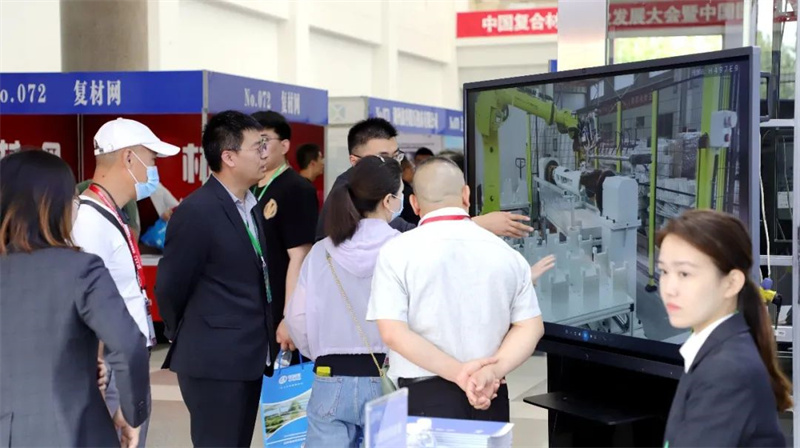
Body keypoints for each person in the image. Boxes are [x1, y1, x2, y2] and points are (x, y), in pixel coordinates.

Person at [367, 157, 545, 422]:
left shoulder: (396, 252)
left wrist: (460, 374)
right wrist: (491, 372)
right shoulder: (507, 255)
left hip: (421, 398)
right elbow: (531, 327)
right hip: (490, 393)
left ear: (414, 203)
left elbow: (393, 333)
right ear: (466, 195)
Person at [0, 150, 150, 447]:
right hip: (74, 432)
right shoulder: (81, 268)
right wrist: (132, 414)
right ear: (54, 206)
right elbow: (128, 345)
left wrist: (81, 364)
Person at [155, 111, 278, 447]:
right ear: (229, 157)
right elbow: (170, 286)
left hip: (250, 356)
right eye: (258, 147)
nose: (265, 154)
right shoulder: (198, 211)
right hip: (214, 361)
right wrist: (191, 331)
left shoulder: (250, 204)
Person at [72, 118, 178, 446]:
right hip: (111, 364)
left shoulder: (111, 214)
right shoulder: (88, 220)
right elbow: (84, 304)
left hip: (125, 361)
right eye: (151, 160)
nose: (153, 172)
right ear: (128, 158)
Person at [658, 209, 790, 447]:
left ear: (731, 283)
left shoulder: (727, 370)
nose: (669, 288)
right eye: (664, 272)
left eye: (684, 273)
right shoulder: (715, 352)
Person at [316, 117, 535, 241]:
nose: (393, 165)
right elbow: (415, 237)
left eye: (395, 156)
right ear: (354, 161)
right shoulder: (348, 197)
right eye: (382, 158)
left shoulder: (381, 192)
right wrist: (476, 224)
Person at [251, 111, 318, 358]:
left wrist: (289, 317)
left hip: (278, 311)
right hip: (251, 310)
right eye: (253, 143)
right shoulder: (248, 188)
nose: (259, 149)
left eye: (264, 141)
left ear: (285, 146)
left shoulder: (296, 189)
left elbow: (300, 256)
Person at [399, 157, 419, 225]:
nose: (413, 172)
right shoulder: (407, 192)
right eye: (412, 168)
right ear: (404, 170)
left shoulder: (398, 189)